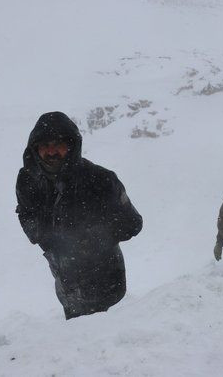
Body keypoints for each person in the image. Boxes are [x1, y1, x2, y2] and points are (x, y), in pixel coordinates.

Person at [15, 112, 143, 319]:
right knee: (77, 334)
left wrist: (94, 238)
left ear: (71, 146)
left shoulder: (100, 179)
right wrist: (43, 236)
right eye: (44, 146)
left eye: (58, 145)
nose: (51, 152)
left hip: (108, 280)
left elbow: (133, 223)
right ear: (35, 149)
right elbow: (26, 214)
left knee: (112, 337)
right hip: (66, 281)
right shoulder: (28, 180)